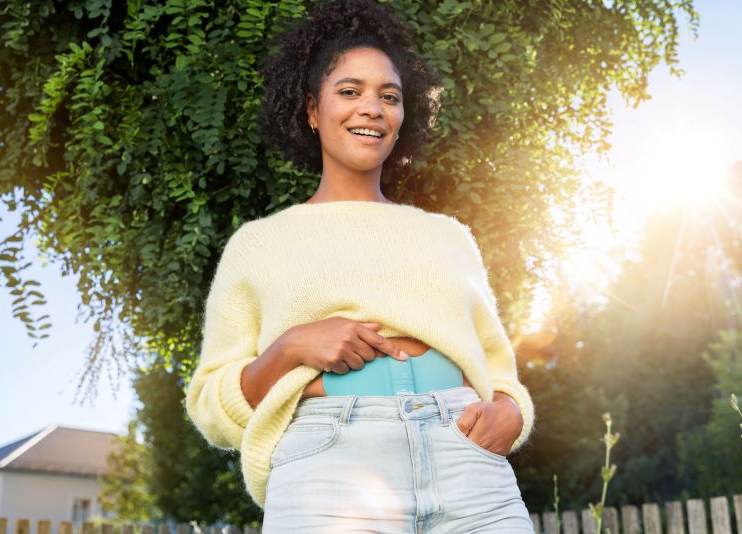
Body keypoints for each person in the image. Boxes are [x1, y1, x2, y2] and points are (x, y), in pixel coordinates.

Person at [184, 0, 536, 531]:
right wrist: (291, 347)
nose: (371, 108)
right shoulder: (257, 244)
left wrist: (511, 411)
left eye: (388, 96)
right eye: (349, 91)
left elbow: (499, 370)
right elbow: (211, 403)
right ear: (311, 109)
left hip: (466, 458)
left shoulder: (449, 237)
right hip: (330, 465)